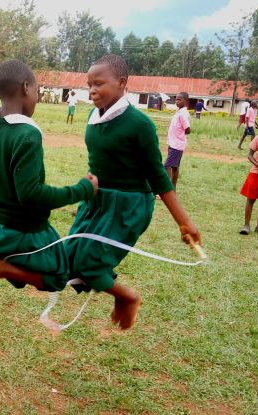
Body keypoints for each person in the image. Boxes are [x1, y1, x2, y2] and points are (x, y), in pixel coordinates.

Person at [64, 55, 201, 330]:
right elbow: (98, 161)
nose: (92, 91)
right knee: (69, 257)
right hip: (97, 201)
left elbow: (158, 176)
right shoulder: (93, 116)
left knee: (90, 264)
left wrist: (184, 221)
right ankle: (114, 291)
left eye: (99, 84)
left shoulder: (139, 124)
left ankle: (128, 298)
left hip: (127, 206)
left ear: (122, 82)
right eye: (89, 85)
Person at [0, 59, 98, 312]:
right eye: (37, 92)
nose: (37, 99)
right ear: (26, 88)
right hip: (23, 230)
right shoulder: (28, 134)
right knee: (58, 275)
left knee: (14, 258)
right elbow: (30, 194)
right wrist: (82, 190)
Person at [165, 92, 191, 190]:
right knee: (175, 167)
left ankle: (166, 190)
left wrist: (179, 135)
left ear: (186, 101)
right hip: (173, 143)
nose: (177, 101)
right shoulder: (179, 111)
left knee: (167, 166)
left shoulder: (183, 113)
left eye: (180, 100)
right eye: (176, 99)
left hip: (176, 145)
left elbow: (188, 129)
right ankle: (173, 189)